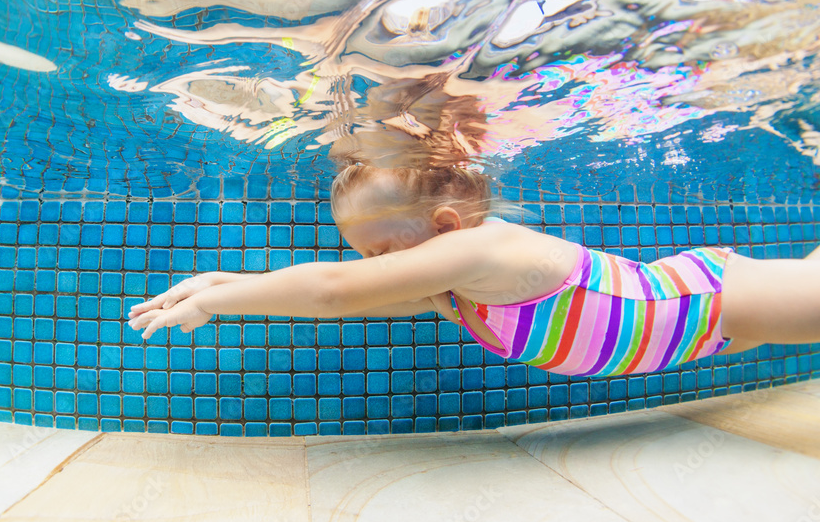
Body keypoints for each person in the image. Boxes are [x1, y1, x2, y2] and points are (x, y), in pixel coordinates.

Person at [126, 164, 820, 377]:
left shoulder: (485, 249)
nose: (371, 270)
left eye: (379, 253)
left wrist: (223, 295)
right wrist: (222, 288)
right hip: (691, 334)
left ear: (445, 228)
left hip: (708, 303)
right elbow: (356, 296)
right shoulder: (451, 290)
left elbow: (333, 291)